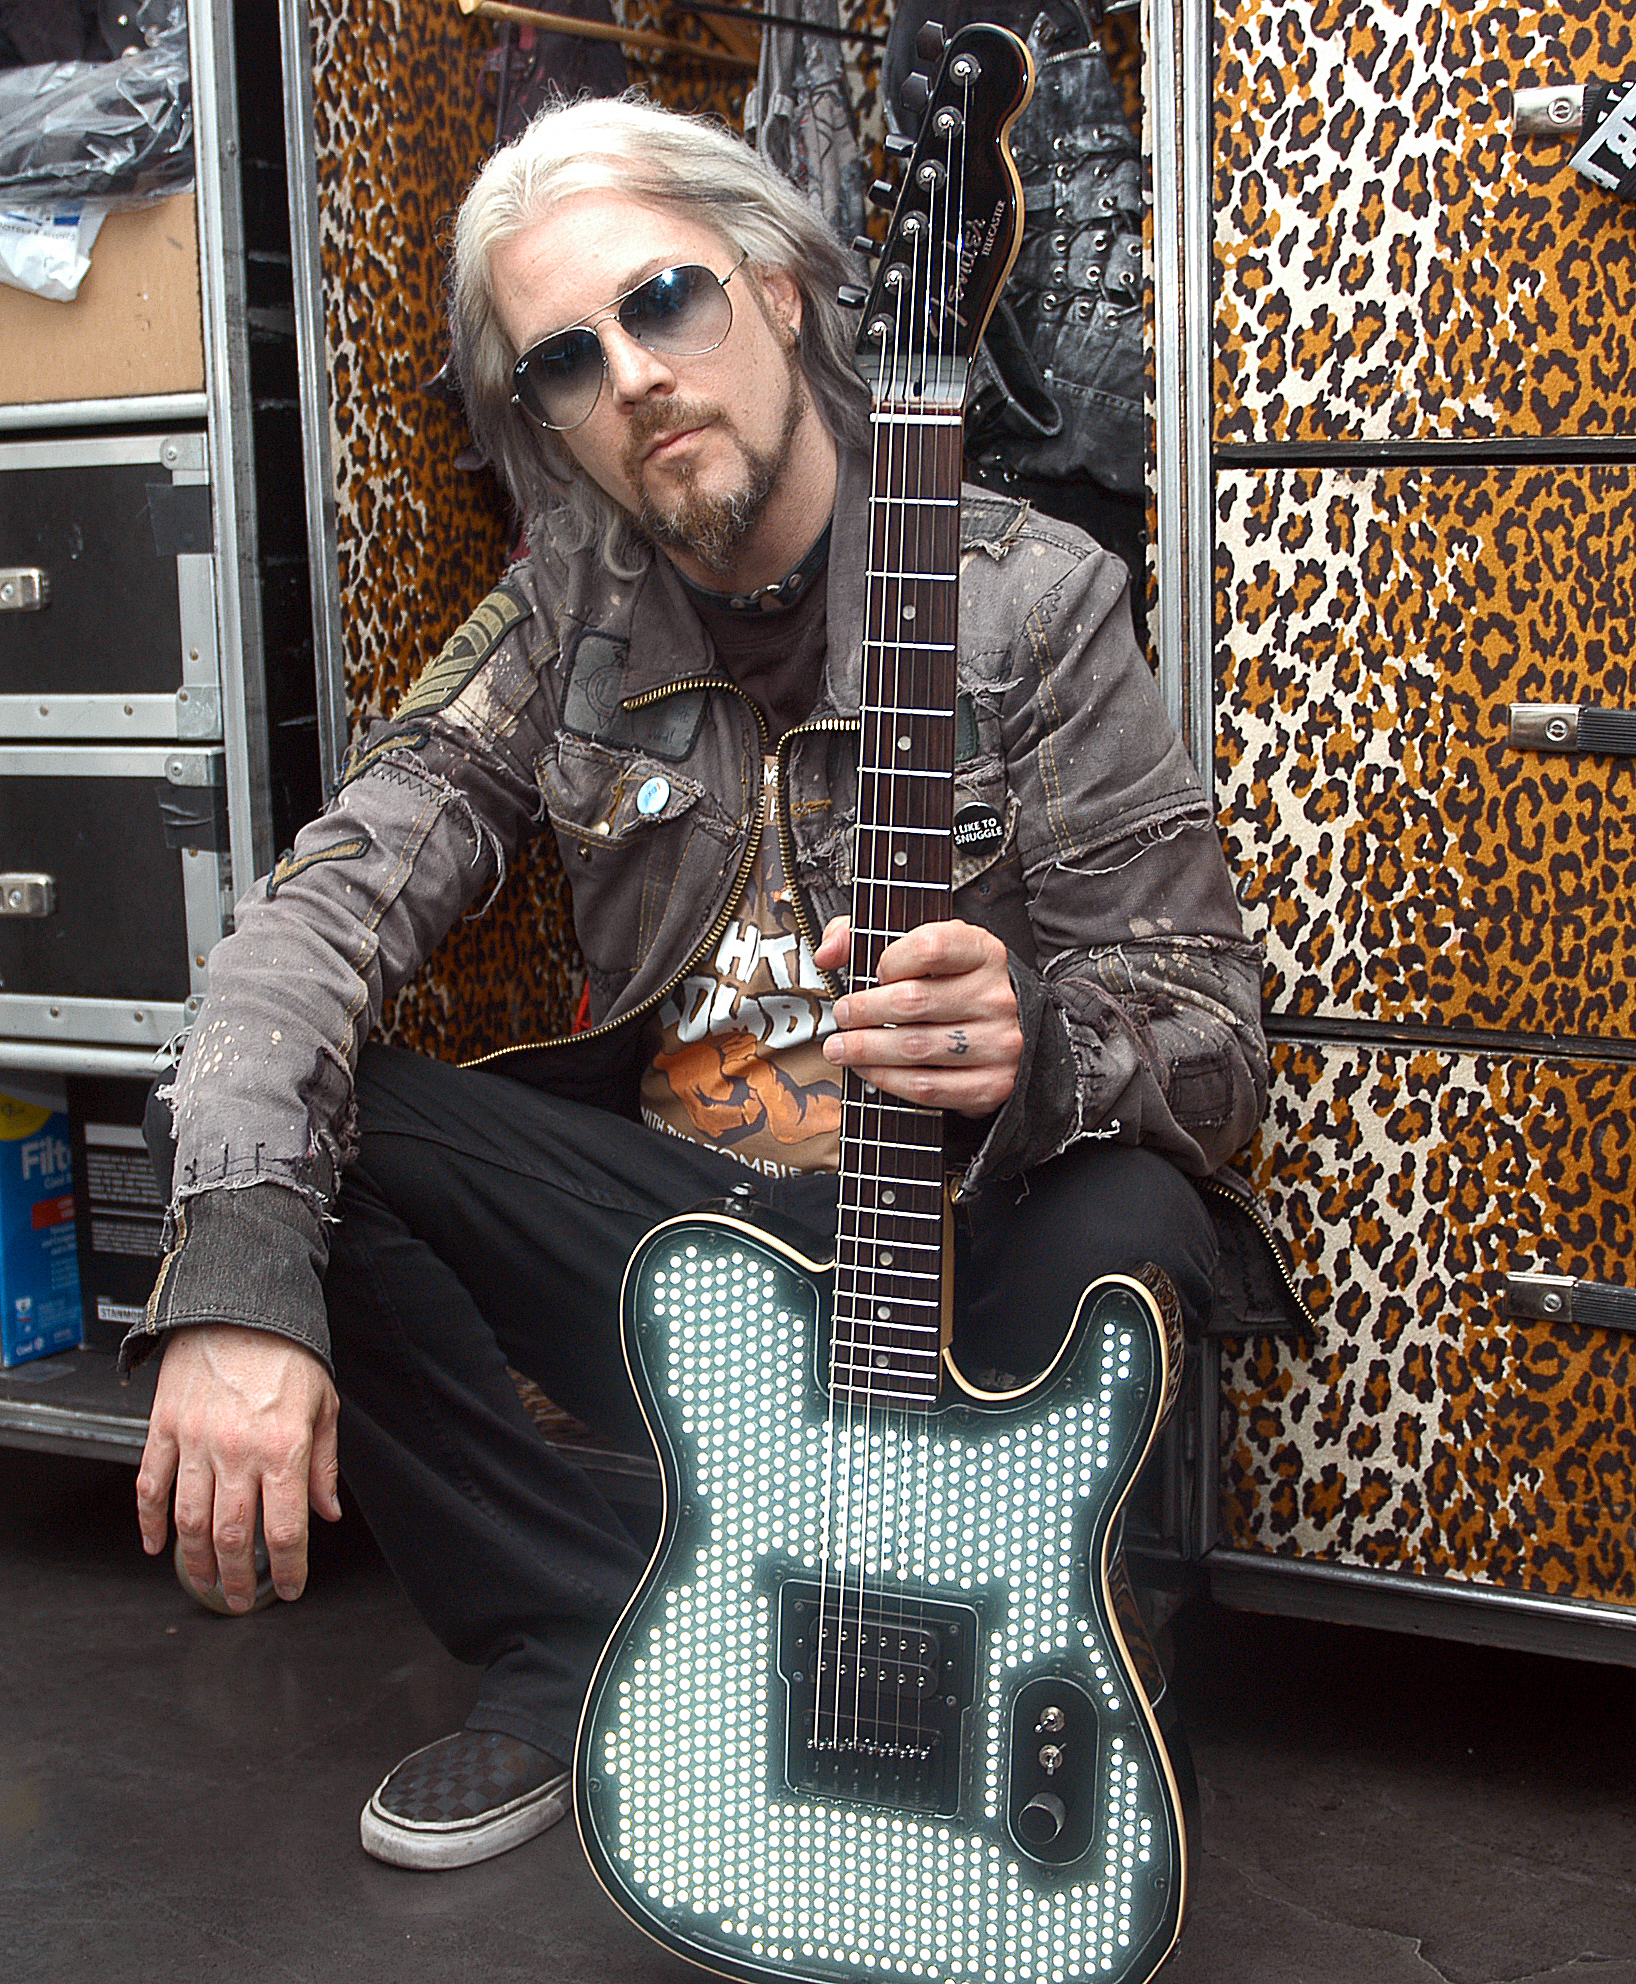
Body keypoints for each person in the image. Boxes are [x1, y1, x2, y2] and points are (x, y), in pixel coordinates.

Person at [125, 96, 1267, 1872]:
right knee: (279, 1126)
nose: (636, 376)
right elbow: (319, 914)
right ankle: (587, 1635)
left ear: (781, 291)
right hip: (688, 1261)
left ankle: (1032, 1625)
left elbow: (1214, 1034)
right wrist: (235, 1282)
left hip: (958, 1251)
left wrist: (1033, 1044)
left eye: (666, 300)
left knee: (1133, 1218)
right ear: (545, 419)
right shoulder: (557, 628)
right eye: (566, 359)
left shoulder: (1030, 603)